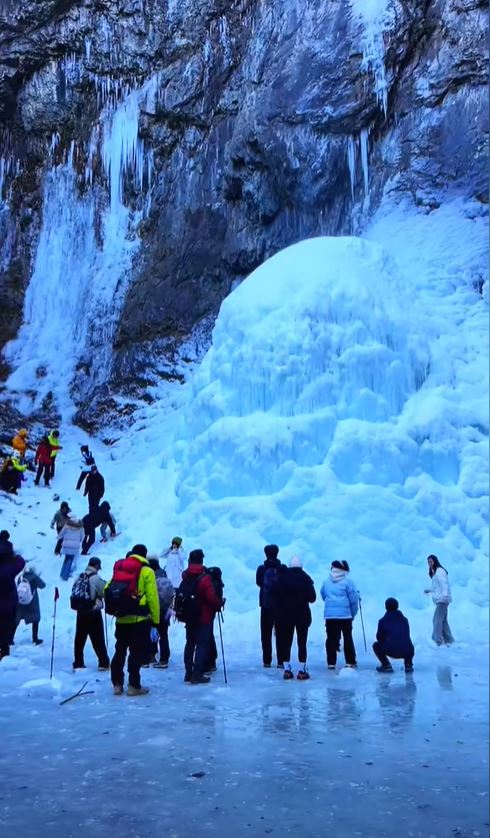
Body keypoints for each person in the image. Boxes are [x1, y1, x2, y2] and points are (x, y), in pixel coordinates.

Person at [108, 544, 160, 696]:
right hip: (139, 619)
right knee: (135, 653)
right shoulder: (147, 571)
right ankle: (133, 686)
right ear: (144, 555)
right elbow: (152, 597)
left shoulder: (120, 569)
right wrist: (155, 620)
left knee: (120, 650)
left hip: (121, 618)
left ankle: (117, 684)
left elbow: (108, 587)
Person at [181, 549, 224, 684]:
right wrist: (219, 603)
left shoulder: (186, 575)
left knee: (190, 643)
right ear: (201, 560)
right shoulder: (205, 577)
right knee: (201, 644)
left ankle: (188, 672)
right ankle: (197, 674)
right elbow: (211, 597)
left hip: (188, 615)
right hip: (203, 616)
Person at [274, 555, 316, 681]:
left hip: (286, 616)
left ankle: (287, 669)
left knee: (286, 642)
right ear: (301, 566)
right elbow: (312, 598)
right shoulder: (306, 579)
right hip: (302, 615)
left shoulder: (282, 579)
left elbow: (276, 595)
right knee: (302, 642)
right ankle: (302, 670)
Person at [321, 560, 360, 669]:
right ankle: (350, 661)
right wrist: (352, 614)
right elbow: (353, 600)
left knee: (331, 638)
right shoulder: (348, 582)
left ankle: (331, 662)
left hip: (330, 616)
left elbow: (323, 595)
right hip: (345, 616)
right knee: (347, 638)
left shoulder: (326, 581)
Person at [73, 557, 110, 671]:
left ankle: (78, 662)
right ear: (97, 566)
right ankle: (103, 662)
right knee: (97, 638)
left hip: (81, 612)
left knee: (79, 638)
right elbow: (104, 592)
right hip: (93, 612)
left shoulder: (80, 577)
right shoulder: (96, 578)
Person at [256, 544, 285, 668]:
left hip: (265, 604)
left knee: (265, 634)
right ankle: (281, 660)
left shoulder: (261, 569)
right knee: (280, 633)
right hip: (279, 604)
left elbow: (258, 582)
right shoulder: (282, 568)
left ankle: (267, 660)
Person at [0, 532, 25, 659]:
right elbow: (21, 562)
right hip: (8, 602)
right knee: (7, 626)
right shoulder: (10, 568)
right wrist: (15, 557)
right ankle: (4, 652)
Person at [373, 598, 415, 673]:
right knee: (409, 645)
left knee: (376, 645)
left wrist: (387, 642)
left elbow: (379, 637)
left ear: (386, 607)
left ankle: (386, 665)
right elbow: (406, 635)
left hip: (391, 650)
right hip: (407, 651)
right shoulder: (404, 620)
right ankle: (408, 664)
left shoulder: (382, 621)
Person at [148, 556, 174, 667]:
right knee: (164, 634)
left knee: (153, 632)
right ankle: (164, 658)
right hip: (166, 609)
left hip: (155, 609)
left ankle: (152, 655)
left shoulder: (151, 576)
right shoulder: (164, 573)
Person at [424, 554, 454, 646]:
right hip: (442, 599)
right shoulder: (435, 572)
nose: (429, 563)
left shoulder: (440, 571)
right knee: (443, 620)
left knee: (436, 619)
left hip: (442, 599)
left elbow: (444, 583)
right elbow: (436, 587)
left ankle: (438, 640)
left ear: (435, 561)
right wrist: (429, 590)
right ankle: (449, 640)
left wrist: (445, 595)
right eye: (428, 562)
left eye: (431, 561)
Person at [12, 566, 46, 646]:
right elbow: (43, 585)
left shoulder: (20, 577)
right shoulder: (34, 577)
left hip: (20, 603)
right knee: (35, 620)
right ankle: (35, 638)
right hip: (32, 603)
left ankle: (10, 638)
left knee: (15, 622)